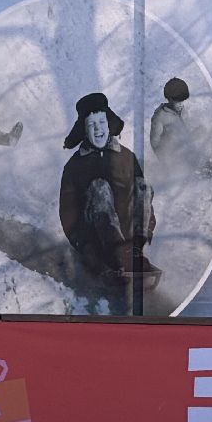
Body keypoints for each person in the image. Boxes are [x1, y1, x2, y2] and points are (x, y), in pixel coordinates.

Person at [59, 92, 159, 285]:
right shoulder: (75, 166)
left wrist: (145, 231)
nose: (98, 130)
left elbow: (143, 200)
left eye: (102, 123)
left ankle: (134, 252)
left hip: (129, 238)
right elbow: (68, 212)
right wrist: (84, 246)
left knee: (143, 186)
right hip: (95, 239)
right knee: (100, 188)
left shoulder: (126, 157)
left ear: (109, 124)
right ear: (84, 130)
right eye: (92, 125)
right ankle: (118, 255)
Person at [148, 77, 191, 162]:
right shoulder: (160, 116)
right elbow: (155, 143)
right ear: (170, 99)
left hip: (188, 156)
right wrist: (167, 161)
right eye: (178, 101)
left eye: (183, 101)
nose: (181, 104)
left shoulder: (183, 111)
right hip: (173, 161)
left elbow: (187, 132)